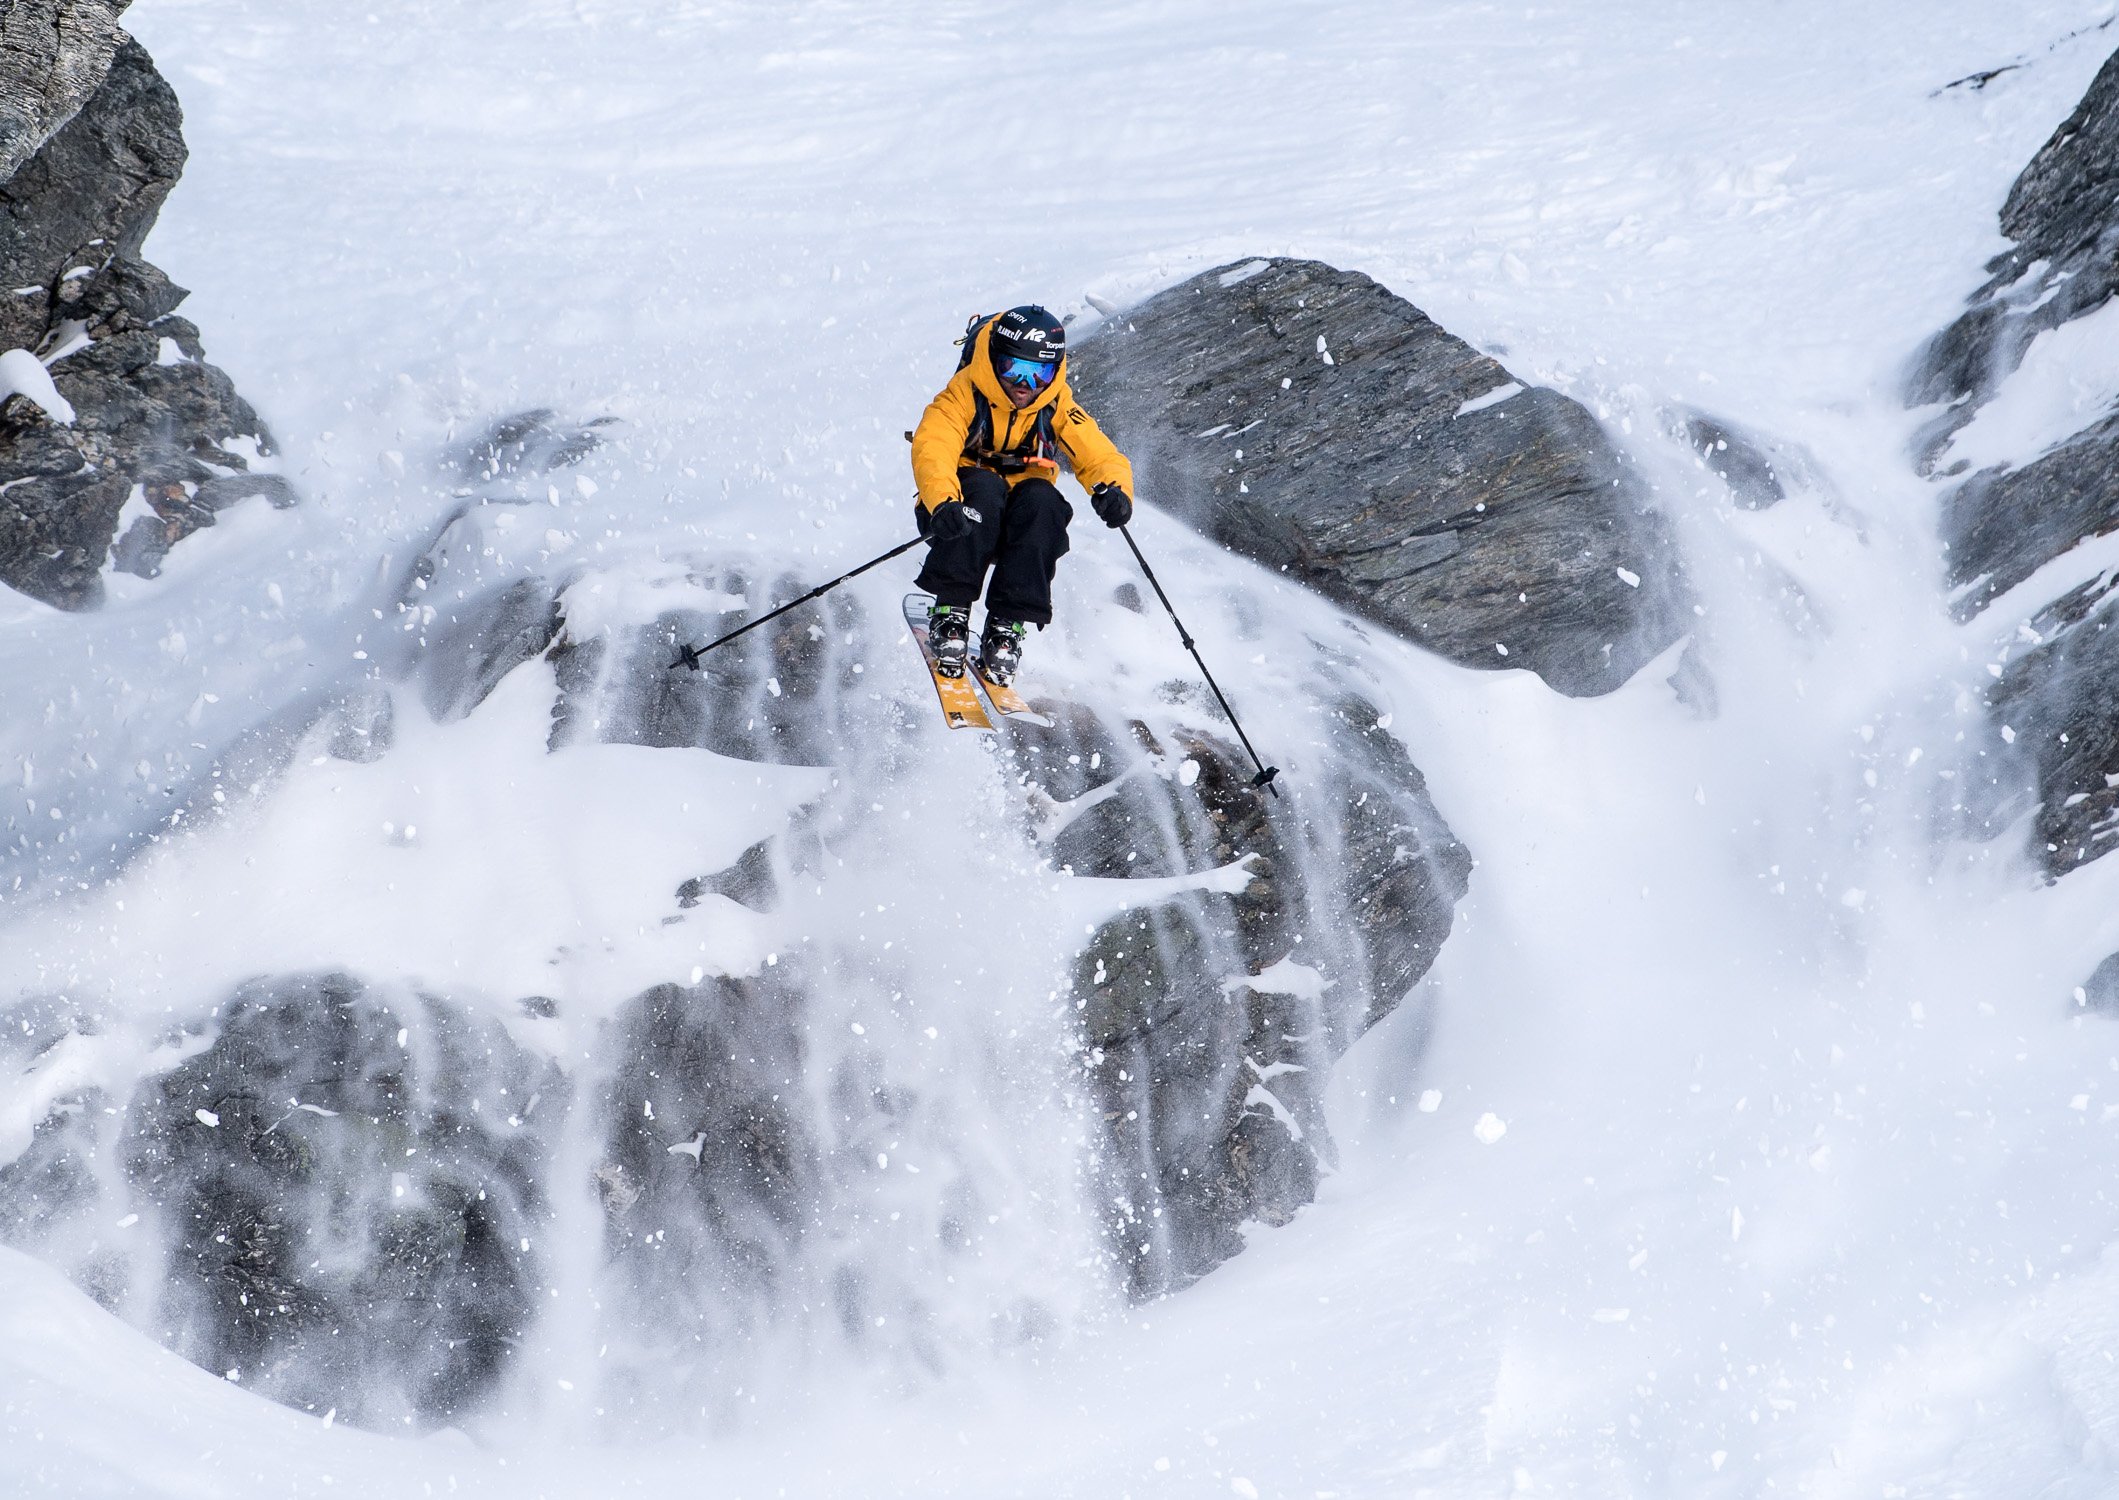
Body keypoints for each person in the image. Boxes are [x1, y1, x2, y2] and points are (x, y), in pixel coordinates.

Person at [909, 305, 1135, 684]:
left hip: (1016, 525)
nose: (1026, 384)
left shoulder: (1055, 403)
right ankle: (951, 610)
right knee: (983, 486)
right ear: (995, 361)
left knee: (1044, 503)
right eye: (1015, 369)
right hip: (956, 516)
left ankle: (1006, 628)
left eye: (1040, 373)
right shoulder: (963, 393)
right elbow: (933, 447)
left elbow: (1095, 449)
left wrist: (1115, 490)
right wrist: (943, 502)